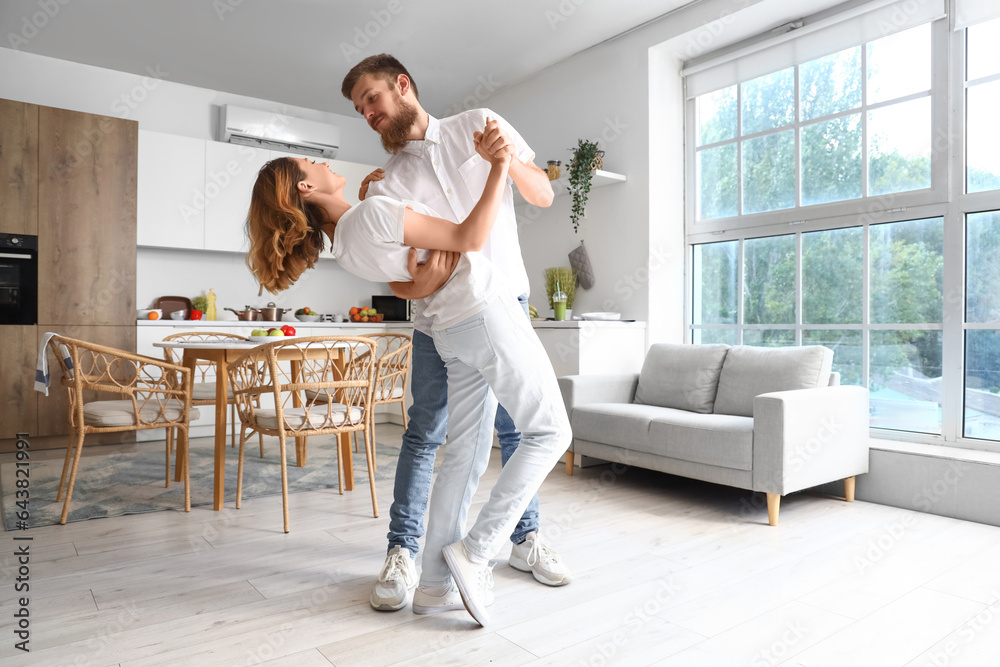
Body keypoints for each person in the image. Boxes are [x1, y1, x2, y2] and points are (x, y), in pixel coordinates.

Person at [244, 122, 571, 627]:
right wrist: (500, 166)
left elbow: (408, 283)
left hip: (447, 331)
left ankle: (436, 586)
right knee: (551, 431)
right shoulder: (371, 215)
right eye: (314, 164)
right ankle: (478, 551)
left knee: (464, 452)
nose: (325, 163)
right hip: (485, 309)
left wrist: (374, 198)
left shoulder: (346, 242)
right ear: (303, 188)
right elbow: (470, 236)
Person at [342, 54, 571, 616]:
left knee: (513, 431)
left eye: (372, 98)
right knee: (429, 433)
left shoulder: (479, 122)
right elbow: (405, 278)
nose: (368, 114)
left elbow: (542, 194)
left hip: (505, 299)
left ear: (403, 85)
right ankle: (408, 554)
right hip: (440, 321)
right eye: (359, 110)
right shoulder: (388, 182)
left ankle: (521, 542)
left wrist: (504, 158)